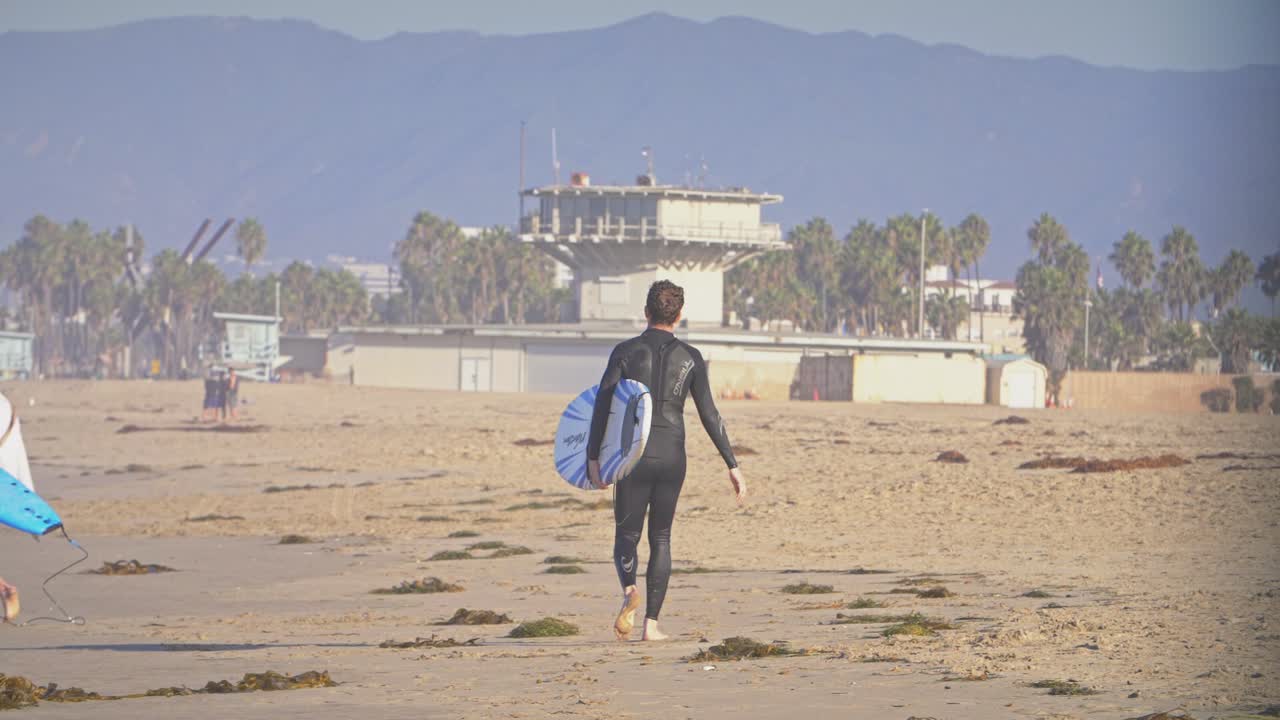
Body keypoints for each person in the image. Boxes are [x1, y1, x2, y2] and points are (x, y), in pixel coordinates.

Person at [586, 280, 746, 642]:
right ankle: (652, 626)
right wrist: (732, 464)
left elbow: (602, 405)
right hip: (673, 454)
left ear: (646, 312)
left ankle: (629, 592)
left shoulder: (625, 352)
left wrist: (594, 457)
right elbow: (710, 414)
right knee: (661, 537)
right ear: (680, 315)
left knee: (627, 534)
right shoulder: (690, 357)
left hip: (633, 454)